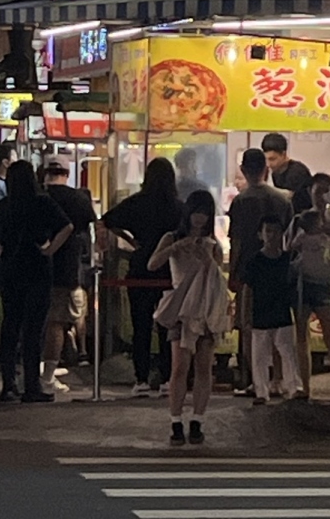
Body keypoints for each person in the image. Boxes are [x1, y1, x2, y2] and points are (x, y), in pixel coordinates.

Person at [0, 159, 74, 403]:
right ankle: (31, 386)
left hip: (10, 269)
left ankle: (8, 385)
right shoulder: (43, 202)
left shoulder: (5, 205)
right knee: (33, 329)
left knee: (10, 326)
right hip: (38, 268)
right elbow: (67, 226)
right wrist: (50, 249)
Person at [148, 190, 229, 446]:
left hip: (206, 309)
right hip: (181, 309)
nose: (199, 218)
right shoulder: (172, 237)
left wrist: (208, 259)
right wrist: (176, 247)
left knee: (204, 367)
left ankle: (197, 421)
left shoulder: (212, 244)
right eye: (196, 212)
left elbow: (218, 278)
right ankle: (175, 421)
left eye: (204, 213)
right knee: (179, 367)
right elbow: (152, 264)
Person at [102, 156, 183, 395]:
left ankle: (141, 378)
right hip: (169, 269)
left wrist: (131, 240)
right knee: (169, 327)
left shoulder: (136, 203)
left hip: (140, 266)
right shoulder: (178, 206)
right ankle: (168, 377)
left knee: (141, 326)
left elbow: (108, 220)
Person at [228, 147, 293, 395]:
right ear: (266, 170)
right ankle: (278, 379)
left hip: (250, 270)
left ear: (244, 170)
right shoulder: (282, 199)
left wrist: (233, 273)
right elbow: (290, 236)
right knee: (277, 327)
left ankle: (257, 381)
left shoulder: (241, 201)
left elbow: (236, 242)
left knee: (250, 327)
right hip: (278, 269)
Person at [40, 156, 97, 394]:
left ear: (45, 173)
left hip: (33, 266)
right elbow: (92, 228)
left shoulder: (37, 197)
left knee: (33, 322)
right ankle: (47, 376)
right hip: (65, 267)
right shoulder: (78, 199)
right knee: (56, 322)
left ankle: (31, 373)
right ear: (67, 173)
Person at [290, 172, 330, 400]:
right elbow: (290, 245)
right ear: (310, 192)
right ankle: (305, 387)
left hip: (324, 283)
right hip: (303, 283)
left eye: (326, 191)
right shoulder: (303, 219)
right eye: (318, 191)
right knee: (301, 336)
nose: (322, 196)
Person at [244, 215, 301, 405]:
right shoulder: (254, 261)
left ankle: (293, 387)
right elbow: (247, 290)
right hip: (260, 311)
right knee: (260, 355)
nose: (272, 235)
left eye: (276, 231)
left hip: (282, 311)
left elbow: (293, 288)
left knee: (287, 352)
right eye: (268, 231)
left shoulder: (287, 260)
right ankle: (261, 391)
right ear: (260, 234)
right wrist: (245, 314)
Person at [261, 133, 312, 212]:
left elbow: (288, 196)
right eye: (266, 159)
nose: (269, 164)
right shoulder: (276, 172)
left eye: (272, 159)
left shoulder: (298, 171)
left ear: (283, 155)